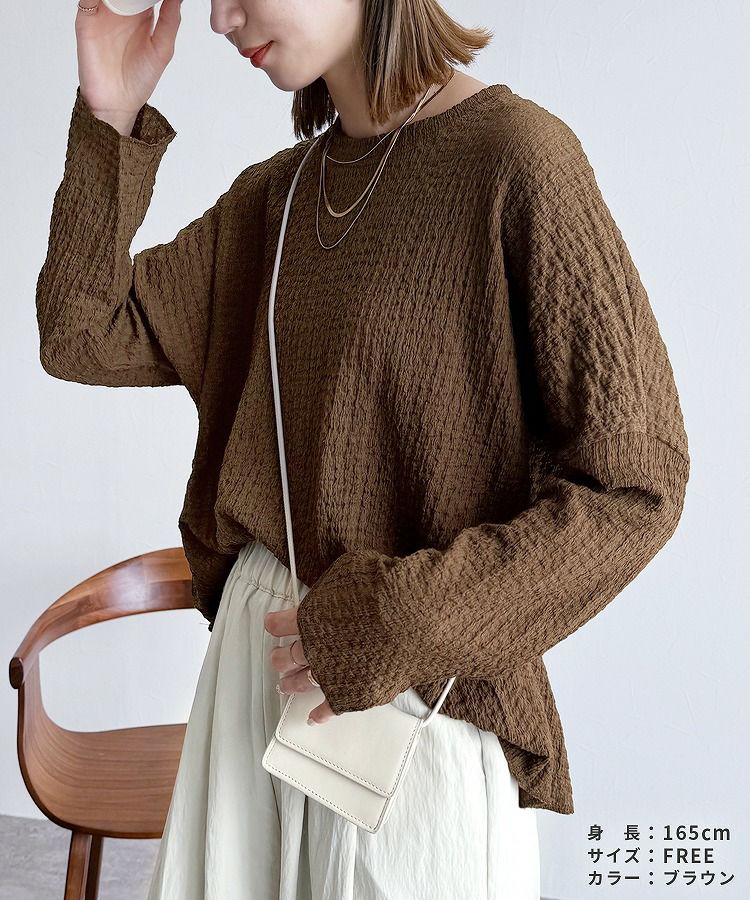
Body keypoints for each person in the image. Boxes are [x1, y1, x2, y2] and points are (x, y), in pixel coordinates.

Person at [36, 0, 690, 897]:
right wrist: (109, 116)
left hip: (418, 697)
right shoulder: (280, 195)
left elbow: (637, 486)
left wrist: (397, 622)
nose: (222, 18)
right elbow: (81, 333)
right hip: (254, 677)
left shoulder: (517, 159)